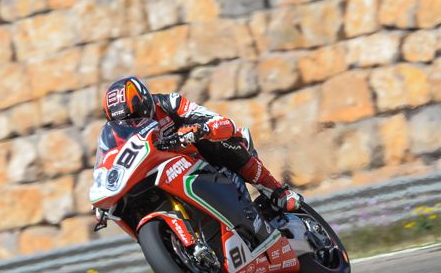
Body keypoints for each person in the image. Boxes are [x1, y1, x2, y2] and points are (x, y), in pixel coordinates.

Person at [100, 75, 302, 212]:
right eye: (124, 122)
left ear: (145, 102)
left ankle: (276, 190)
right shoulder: (118, 137)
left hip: (203, 158)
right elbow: (112, 162)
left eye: (135, 116)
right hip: (167, 174)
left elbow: (221, 122)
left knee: (214, 141)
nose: (133, 123)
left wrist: (202, 130)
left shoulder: (170, 103)